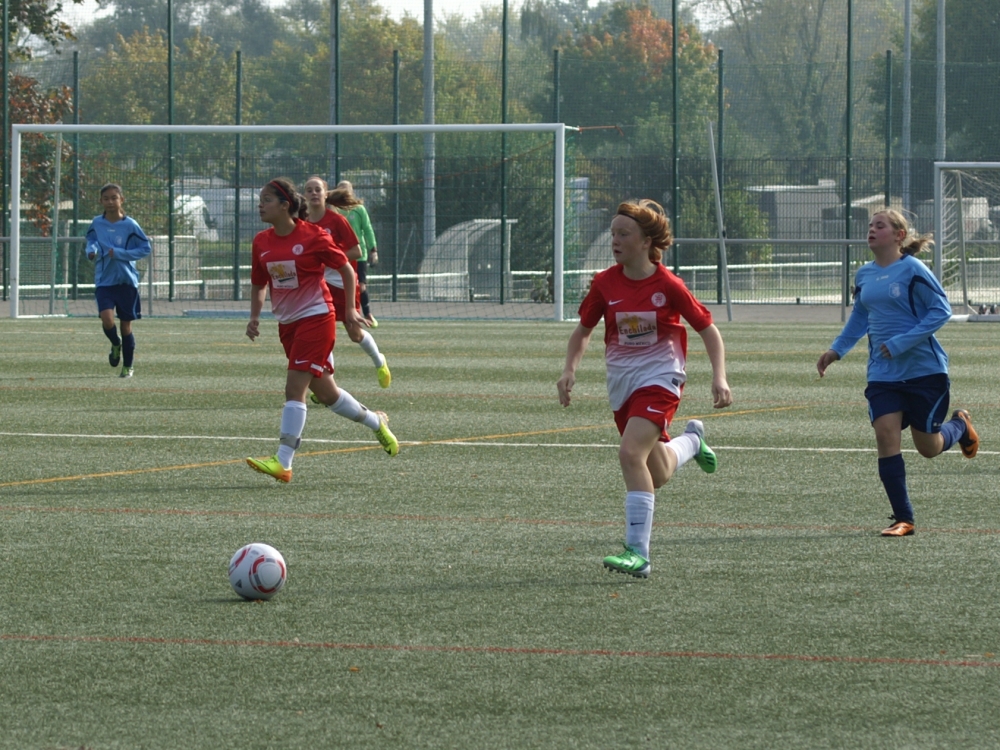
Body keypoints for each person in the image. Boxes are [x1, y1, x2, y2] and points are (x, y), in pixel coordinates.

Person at [557, 199, 733, 578]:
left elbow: (708, 330)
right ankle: (692, 443)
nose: (615, 240)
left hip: (661, 377)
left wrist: (719, 376)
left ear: (645, 241)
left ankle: (638, 554)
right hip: (622, 383)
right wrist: (569, 369)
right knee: (658, 470)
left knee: (629, 453)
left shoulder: (668, 285)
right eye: (613, 233)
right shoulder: (605, 282)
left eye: (624, 234)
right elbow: (584, 330)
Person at [817, 209, 979, 537]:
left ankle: (959, 426)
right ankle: (903, 518)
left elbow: (941, 310)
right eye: (870, 226)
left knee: (928, 448)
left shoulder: (913, 269)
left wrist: (902, 342)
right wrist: (836, 350)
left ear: (899, 236)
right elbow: (859, 318)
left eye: (881, 226)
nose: (872, 230)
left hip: (924, 372)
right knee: (885, 434)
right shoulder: (864, 275)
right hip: (882, 374)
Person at [245, 178, 399, 484]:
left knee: (294, 388)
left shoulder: (312, 235)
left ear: (285, 205)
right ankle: (375, 422)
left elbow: (345, 267)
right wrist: (254, 316)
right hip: (288, 325)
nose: (260, 205)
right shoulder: (261, 241)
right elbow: (259, 282)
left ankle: (284, 461)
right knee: (327, 394)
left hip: (317, 319)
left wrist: (350, 309)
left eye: (266, 200)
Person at [302, 176, 391, 390]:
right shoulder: (302, 223)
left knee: (354, 332)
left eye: (318, 189)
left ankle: (380, 361)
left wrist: (330, 256)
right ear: (305, 196)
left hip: (342, 281)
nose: (314, 193)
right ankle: (327, 385)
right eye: (309, 190)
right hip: (317, 285)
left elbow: (356, 251)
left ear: (326, 194)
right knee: (323, 330)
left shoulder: (337, 220)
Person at [85, 183, 152, 378]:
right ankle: (115, 344)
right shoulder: (97, 223)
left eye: (114, 198)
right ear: (101, 201)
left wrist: (121, 253)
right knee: (107, 319)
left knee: (125, 326)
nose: (110, 202)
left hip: (126, 282)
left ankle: (128, 366)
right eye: (106, 198)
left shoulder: (131, 225)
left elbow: (145, 248)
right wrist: (91, 250)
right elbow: (91, 240)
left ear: (121, 200)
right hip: (105, 281)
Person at [327, 180, 380, 327]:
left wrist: (373, 250)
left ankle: (367, 313)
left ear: (351, 191)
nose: (344, 192)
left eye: (347, 189)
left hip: (358, 254)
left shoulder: (359, 209)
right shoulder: (332, 210)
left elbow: (368, 229)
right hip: (338, 254)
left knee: (360, 286)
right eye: (341, 189)